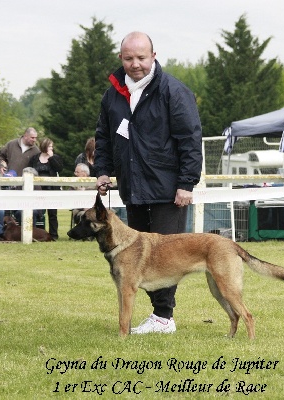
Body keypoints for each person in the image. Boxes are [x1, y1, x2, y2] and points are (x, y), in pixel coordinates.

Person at [94, 31, 203, 334]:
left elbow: (190, 139)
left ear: (153, 56)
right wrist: (102, 170)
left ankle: (164, 317)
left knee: (165, 257)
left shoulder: (173, 91)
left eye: (141, 57)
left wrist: (186, 183)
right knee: (139, 256)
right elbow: (104, 136)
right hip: (133, 187)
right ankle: (159, 316)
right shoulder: (113, 94)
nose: (135, 64)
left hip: (169, 188)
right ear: (121, 58)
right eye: (129, 58)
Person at [28, 138, 63, 240]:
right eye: (50, 146)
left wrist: (51, 158)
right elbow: (29, 170)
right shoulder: (35, 158)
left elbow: (59, 168)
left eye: (52, 146)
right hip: (38, 189)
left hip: (52, 188)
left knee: (52, 214)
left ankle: (53, 235)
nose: (51, 148)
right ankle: (36, 233)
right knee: (37, 212)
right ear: (44, 146)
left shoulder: (55, 157)